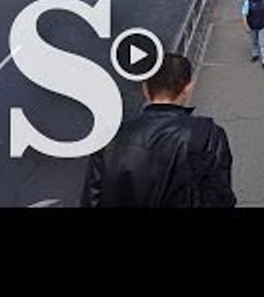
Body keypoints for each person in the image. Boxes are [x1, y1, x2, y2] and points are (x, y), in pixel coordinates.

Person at [80, 53, 236, 208]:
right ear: (188, 89)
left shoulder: (110, 140)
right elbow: (220, 198)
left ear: (145, 88)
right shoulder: (208, 136)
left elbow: (92, 200)